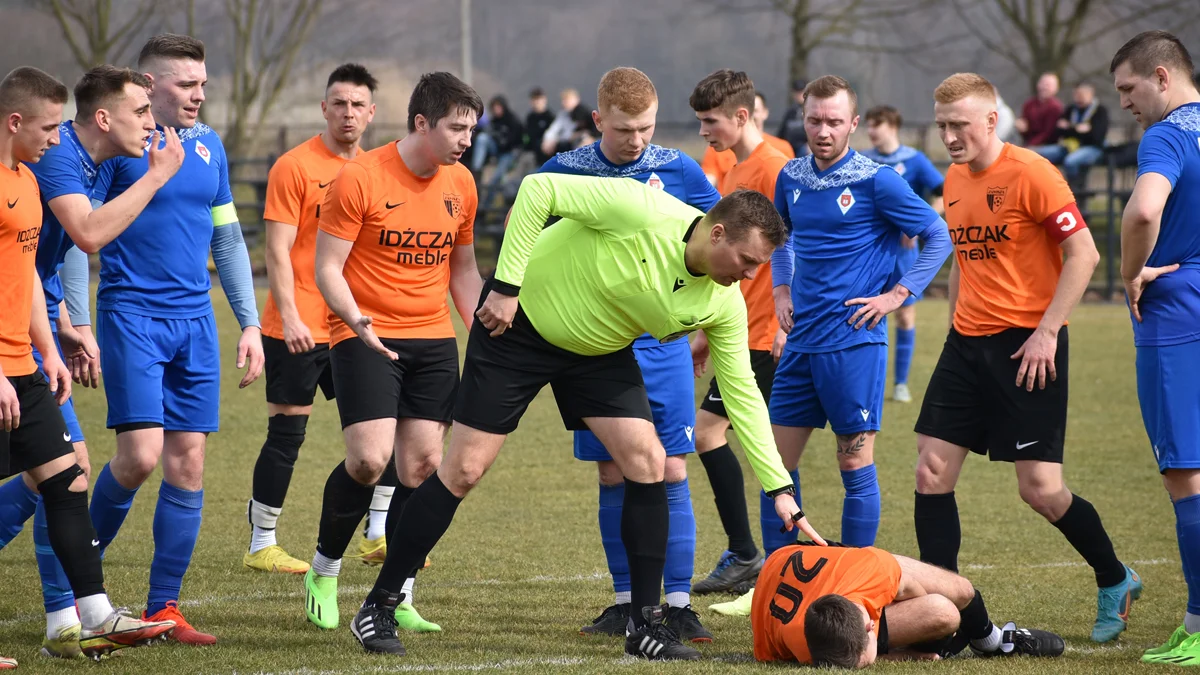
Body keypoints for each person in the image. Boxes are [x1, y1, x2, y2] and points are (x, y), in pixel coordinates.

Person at [352, 171, 820, 660]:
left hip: (598, 351)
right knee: (464, 470)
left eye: (758, 267)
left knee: (648, 462)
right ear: (717, 233)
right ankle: (379, 606)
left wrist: (780, 488)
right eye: (747, 261)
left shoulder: (723, 302)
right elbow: (538, 190)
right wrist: (507, 286)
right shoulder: (642, 210)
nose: (749, 276)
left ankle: (644, 626)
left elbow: (742, 392)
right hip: (521, 325)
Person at [711, 76, 953, 619]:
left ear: (854, 123)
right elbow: (783, 238)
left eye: (834, 121)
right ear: (803, 116)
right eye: (815, 120)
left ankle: (850, 588)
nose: (823, 131)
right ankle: (775, 584)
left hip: (854, 345)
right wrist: (780, 289)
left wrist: (898, 294)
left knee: (854, 464)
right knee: (776, 464)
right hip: (799, 346)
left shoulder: (878, 181)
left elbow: (938, 233)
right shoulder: (791, 177)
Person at [915, 72, 1139, 644]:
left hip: (1028, 345)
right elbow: (968, 264)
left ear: (992, 120)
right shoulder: (953, 179)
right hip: (966, 345)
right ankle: (945, 613)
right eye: (942, 127)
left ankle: (1115, 577)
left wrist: (1047, 332)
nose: (950, 137)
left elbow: (1083, 254)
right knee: (931, 472)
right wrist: (953, 328)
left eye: (959, 125)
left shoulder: (1034, 172)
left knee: (1039, 489)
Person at [0, 64, 183, 659]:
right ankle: (71, 617)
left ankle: (73, 619)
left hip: (29, 337)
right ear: (103, 119)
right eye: (141, 114)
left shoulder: (72, 165)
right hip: (9, 346)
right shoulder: (51, 159)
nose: (151, 125)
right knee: (61, 472)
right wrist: (155, 178)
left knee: (62, 473)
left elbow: (30, 263)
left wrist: (61, 328)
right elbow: (87, 234)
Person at [87, 34, 264, 646]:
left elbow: (229, 241)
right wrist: (76, 322)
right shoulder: (113, 148)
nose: (199, 94)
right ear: (148, 83)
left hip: (195, 323)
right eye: (186, 84)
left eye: (203, 83)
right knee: (139, 458)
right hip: (132, 315)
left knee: (188, 464)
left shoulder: (209, 145)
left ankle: (164, 606)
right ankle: (74, 587)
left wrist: (249, 322)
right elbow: (72, 235)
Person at [537, 67, 720, 642]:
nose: (637, 140)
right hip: (594, 348)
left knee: (669, 467)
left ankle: (679, 602)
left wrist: (708, 325)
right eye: (623, 130)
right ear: (597, 122)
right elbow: (528, 238)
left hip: (662, 345)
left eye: (645, 128)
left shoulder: (679, 169)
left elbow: (728, 238)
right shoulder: (563, 173)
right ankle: (625, 602)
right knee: (613, 472)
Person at [304, 71, 483, 637]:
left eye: (471, 130)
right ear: (421, 123)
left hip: (432, 338)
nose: (465, 141)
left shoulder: (463, 184)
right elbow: (326, 267)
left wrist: (483, 328)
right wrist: (354, 319)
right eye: (456, 128)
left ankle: (396, 592)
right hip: (363, 333)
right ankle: (324, 570)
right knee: (367, 460)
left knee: (422, 467)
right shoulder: (360, 178)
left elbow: (464, 269)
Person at [243, 63, 379, 577]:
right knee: (287, 435)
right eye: (338, 103)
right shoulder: (293, 166)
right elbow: (277, 252)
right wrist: (293, 316)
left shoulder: (375, 171)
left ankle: (379, 534)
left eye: (357, 104)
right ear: (324, 108)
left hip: (350, 325)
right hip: (295, 325)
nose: (347, 113)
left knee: (383, 426)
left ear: (371, 113)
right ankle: (262, 543)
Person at [1111, 30, 1200, 665]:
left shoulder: (1166, 135)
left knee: (1186, 477)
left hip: (1177, 318)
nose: (1124, 103)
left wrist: (1131, 270)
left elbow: (1144, 212)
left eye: (1128, 88)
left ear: (1162, 77)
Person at [687, 69, 790, 595]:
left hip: (762, 334)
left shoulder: (772, 166)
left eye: (710, 121)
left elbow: (792, 245)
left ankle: (755, 559)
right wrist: (709, 324)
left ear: (742, 116)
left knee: (727, 437)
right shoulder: (734, 167)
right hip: (735, 328)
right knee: (713, 434)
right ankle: (749, 554)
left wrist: (783, 319)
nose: (704, 131)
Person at [751, 542, 1064, 667]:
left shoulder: (877, 572)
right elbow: (854, 657)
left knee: (962, 592)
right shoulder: (808, 645)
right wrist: (903, 655)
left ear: (870, 623)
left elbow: (908, 587)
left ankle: (993, 640)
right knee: (943, 613)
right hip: (784, 563)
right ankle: (989, 639)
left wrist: (931, 640)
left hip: (841, 563)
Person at [861, 105, 945, 404]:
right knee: (867, 313)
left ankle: (900, 384)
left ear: (893, 125)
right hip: (871, 252)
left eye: (877, 124)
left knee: (905, 315)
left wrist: (919, 225)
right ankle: (869, 381)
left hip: (904, 255)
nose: (871, 130)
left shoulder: (915, 160)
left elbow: (944, 192)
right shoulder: (864, 162)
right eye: (869, 125)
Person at [701, 90, 794, 186]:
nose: (751, 115)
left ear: (765, 113)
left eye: (755, 111)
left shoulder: (781, 149)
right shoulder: (718, 148)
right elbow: (708, 182)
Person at [1033, 81, 1110, 188]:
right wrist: (1077, 130)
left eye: (1082, 95)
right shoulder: (1071, 109)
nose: (1078, 98)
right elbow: (1059, 130)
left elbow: (1097, 136)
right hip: (1069, 146)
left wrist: (1070, 129)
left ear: (1090, 95)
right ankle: (1044, 187)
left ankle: (1075, 190)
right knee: (1037, 154)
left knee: (1071, 161)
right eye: (1076, 95)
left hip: (1092, 148)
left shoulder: (1100, 111)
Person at [1015, 72, 1063, 146]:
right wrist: (1021, 127)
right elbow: (1025, 126)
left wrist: (1031, 145)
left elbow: (1048, 133)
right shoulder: (1029, 104)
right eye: (1043, 83)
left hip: (1046, 144)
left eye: (1048, 85)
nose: (1045, 87)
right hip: (1028, 142)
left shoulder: (1055, 107)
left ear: (1056, 88)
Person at [777, 79, 809, 157]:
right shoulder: (791, 112)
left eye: (802, 91)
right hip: (789, 146)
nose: (799, 95)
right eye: (797, 92)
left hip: (804, 148)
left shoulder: (812, 110)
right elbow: (782, 133)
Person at [525, 87, 555, 166]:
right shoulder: (530, 118)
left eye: (539, 99)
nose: (537, 102)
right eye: (534, 100)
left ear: (544, 100)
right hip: (532, 152)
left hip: (546, 154)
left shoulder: (550, 117)